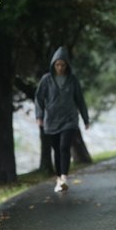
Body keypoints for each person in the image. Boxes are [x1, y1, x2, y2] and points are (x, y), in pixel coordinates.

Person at [35, 46, 90, 193]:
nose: (60, 67)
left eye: (63, 65)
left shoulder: (72, 80)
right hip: (51, 121)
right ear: (54, 65)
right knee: (56, 150)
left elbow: (80, 100)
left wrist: (85, 119)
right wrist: (39, 116)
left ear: (67, 65)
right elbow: (39, 99)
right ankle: (59, 179)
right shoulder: (46, 80)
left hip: (69, 119)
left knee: (64, 147)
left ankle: (64, 177)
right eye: (57, 64)